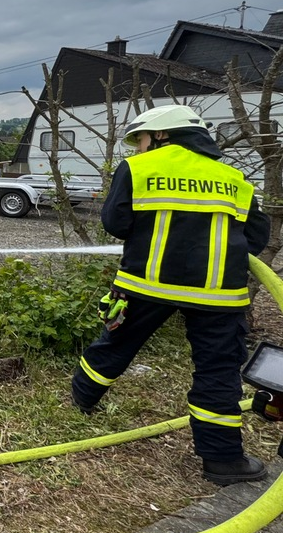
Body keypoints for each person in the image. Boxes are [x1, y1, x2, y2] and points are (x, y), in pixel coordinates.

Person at [71, 105, 271, 485]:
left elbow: (116, 223)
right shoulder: (233, 177)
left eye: (142, 139)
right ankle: (223, 461)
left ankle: (81, 400)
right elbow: (256, 237)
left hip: (146, 285)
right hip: (218, 296)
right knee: (217, 372)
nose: (140, 148)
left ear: (162, 134)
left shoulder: (139, 169)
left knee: (115, 344)